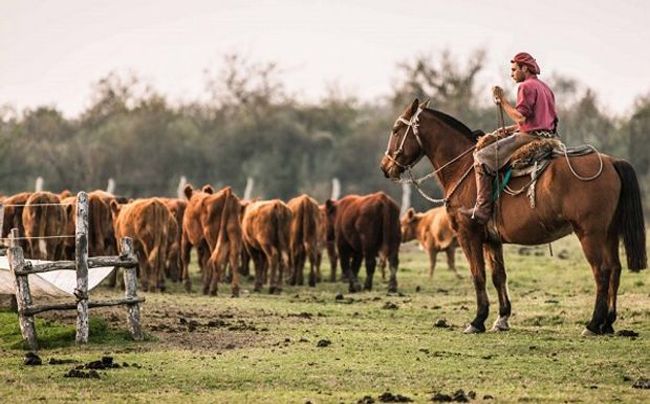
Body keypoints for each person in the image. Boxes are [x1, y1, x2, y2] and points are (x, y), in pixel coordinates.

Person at [459, 52, 558, 224]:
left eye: (514, 70)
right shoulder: (545, 88)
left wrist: (502, 100)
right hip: (548, 136)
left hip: (530, 139)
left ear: (524, 68)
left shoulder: (526, 86)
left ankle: (482, 209)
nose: (511, 74)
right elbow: (540, 120)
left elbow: (521, 117)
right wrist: (510, 130)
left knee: (481, 156)